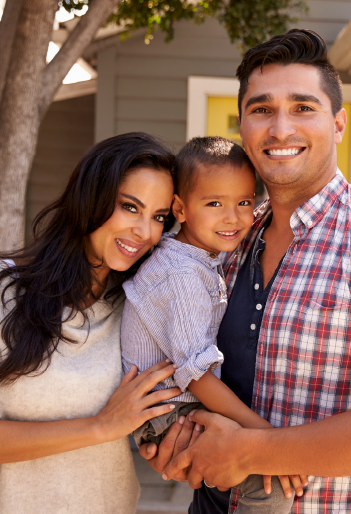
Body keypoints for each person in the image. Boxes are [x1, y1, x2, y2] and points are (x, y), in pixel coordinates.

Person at [142, 29, 351, 514]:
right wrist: (180, 440)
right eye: (261, 109)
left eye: (303, 108)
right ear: (241, 125)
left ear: (338, 124)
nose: (280, 128)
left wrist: (248, 451)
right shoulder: (230, 238)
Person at [0, 132, 182, 514]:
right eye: (130, 207)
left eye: (159, 217)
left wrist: (168, 444)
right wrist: (100, 426)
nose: (145, 232)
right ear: (91, 197)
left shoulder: (140, 308)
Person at [120, 136, 296, 514]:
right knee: (271, 483)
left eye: (244, 202)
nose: (233, 217)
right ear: (180, 209)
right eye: (214, 203)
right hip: (167, 413)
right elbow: (196, 375)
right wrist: (268, 439)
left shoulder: (202, 257)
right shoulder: (181, 275)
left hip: (180, 403)